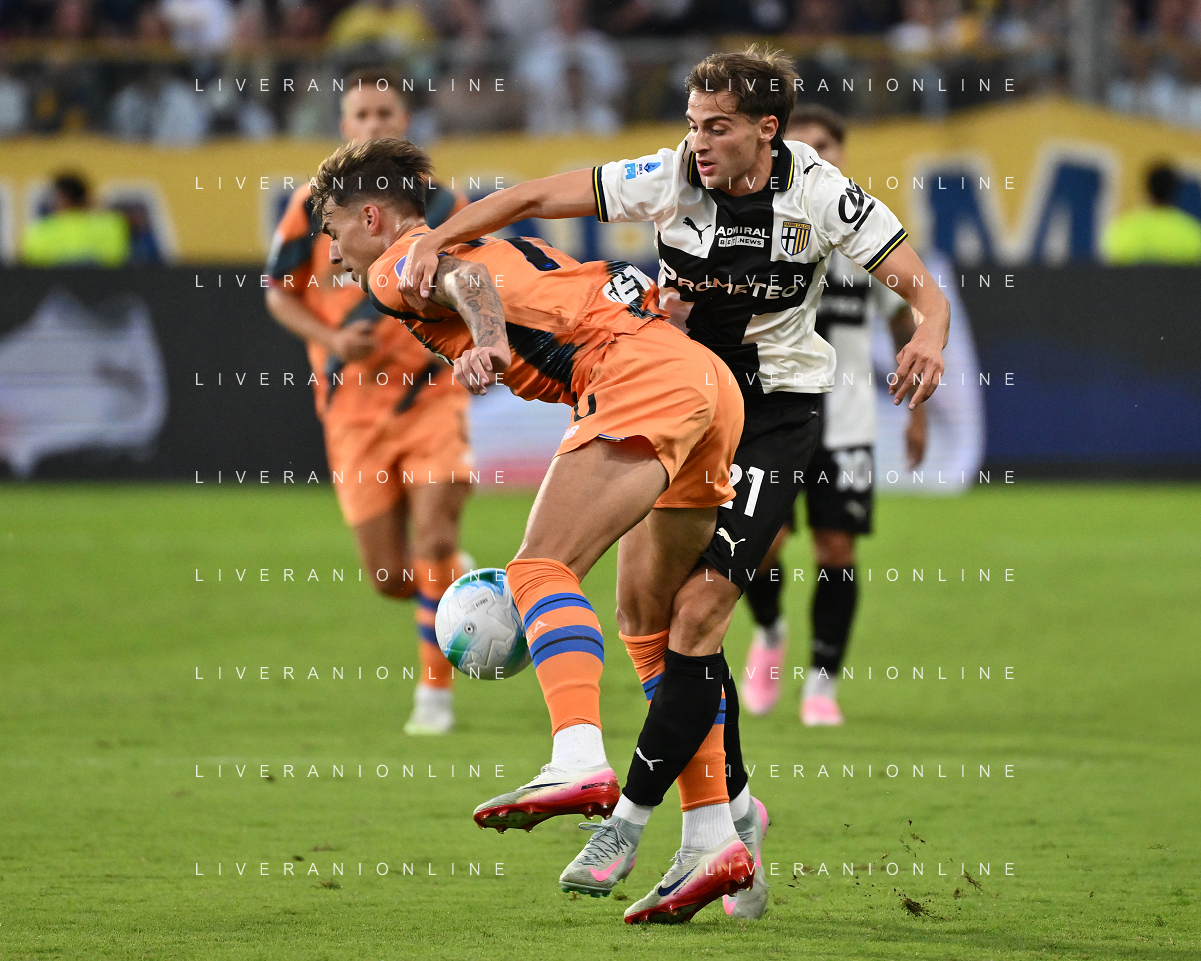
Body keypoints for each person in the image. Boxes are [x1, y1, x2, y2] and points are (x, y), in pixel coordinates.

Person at [397, 46, 950, 922]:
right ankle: (731, 818)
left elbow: (921, 289)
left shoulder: (820, 193)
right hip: (687, 407)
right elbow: (534, 197)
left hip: (773, 419)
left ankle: (629, 820)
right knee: (646, 620)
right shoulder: (667, 176)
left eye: (717, 127)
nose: (699, 142)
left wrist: (929, 334)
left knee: (697, 616)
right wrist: (436, 236)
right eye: (692, 124)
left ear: (766, 130)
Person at [311, 135, 753, 923]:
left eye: (334, 227)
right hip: (705, 382)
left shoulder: (396, 263)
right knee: (653, 627)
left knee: (538, 569)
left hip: (631, 372)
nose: (333, 248)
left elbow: (467, 282)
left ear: (371, 216)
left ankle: (576, 757)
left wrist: (486, 341)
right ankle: (714, 830)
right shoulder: (505, 241)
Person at [265, 68, 471, 736]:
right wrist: (331, 339)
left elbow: (477, 283)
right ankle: (453, 582)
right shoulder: (310, 207)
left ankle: (433, 694)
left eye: (385, 114)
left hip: (430, 395)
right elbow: (278, 293)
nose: (374, 124)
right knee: (387, 576)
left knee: (435, 535)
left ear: (403, 123)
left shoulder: (444, 204)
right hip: (351, 407)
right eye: (362, 115)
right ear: (344, 126)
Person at [738, 105, 927, 727]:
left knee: (836, 547)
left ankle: (822, 683)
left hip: (845, 423)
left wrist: (918, 410)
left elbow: (901, 315)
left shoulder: (868, 236)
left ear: (842, 153)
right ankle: (770, 631)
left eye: (825, 144)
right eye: (803, 144)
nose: (815, 154)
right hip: (768, 416)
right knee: (761, 545)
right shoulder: (758, 228)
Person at [1101, 162, 1201, 265]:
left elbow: (1112, 262)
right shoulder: (1191, 232)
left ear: (1147, 189)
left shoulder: (1123, 229)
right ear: (1174, 192)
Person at [21, 173, 130, 267]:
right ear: (86, 197)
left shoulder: (40, 230)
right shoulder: (111, 225)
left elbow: (32, 266)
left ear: (60, 198)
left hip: (54, 285)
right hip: (104, 284)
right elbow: (118, 259)